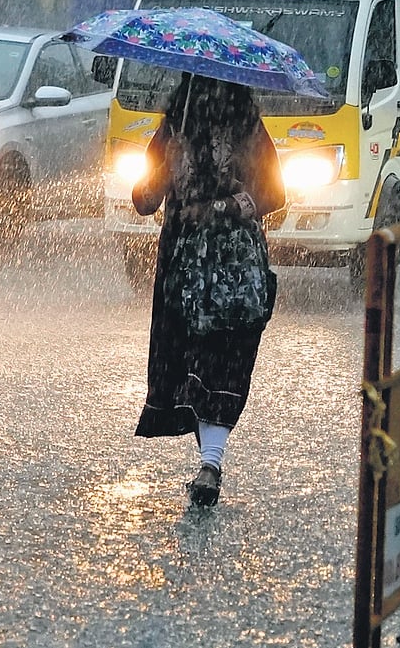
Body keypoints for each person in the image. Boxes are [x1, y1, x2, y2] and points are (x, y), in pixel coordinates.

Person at [132, 73, 285, 507]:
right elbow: (143, 200)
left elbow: (273, 193)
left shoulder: (246, 128)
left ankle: (210, 464)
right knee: (199, 362)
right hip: (185, 269)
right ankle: (210, 464)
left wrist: (218, 208)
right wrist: (160, 173)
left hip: (231, 266)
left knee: (218, 360)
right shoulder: (176, 126)